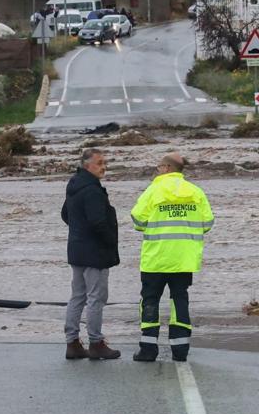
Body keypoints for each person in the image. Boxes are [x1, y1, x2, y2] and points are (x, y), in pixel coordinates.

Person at [129, 153, 213, 362]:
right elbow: (207, 223)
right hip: (184, 259)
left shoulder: (153, 191)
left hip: (156, 258)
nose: (157, 170)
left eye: (158, 166)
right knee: (179, 300)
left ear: (166, 167)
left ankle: (148, 349)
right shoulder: (195, 192)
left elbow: (137, 220)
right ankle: (180, 349)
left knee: (150, 300)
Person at [61, 148, 120, 361]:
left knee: (77, 296)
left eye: (105, 162)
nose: (104, 167)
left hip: (77, 249)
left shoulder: (75, 185)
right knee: (96, 298)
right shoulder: (93, 190)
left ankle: (72, 343)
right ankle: (96, 342)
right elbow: (98, 223)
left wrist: (79, 231)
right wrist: (110, 242)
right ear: (88, 166)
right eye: (100, 163)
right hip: (95, 252)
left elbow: (65, 214)